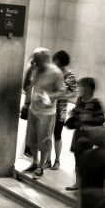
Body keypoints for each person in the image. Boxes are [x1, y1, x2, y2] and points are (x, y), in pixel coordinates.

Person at [23, 48, 65, 177]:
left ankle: (41, 166)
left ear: (45, 60)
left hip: (47, 112)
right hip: (33, 109)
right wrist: (27, 103)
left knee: (44, 139)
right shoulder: (36, 69)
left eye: (38, 61)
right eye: (34, 60)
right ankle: (34, 162)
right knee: (32, 138)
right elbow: (29, 86)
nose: (35, 63)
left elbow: (62, 92)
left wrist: (48, 97)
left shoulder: (56, 73)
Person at [65, 77, 105, 191]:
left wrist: (90, 118)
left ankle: (85, 184)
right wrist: (74, 115)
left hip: (88, 135)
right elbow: (77, 115)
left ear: (88, 89)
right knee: (77, 159)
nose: (79, 89)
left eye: (81, 86)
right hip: (78, 133)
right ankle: (78, 183)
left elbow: (102, 119)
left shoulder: (95, 103)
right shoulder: (79, 100)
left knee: (85, 159)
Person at [51, 50, 78, 171]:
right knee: (46, 134)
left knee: (57, 134)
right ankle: (46, 160)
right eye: (55, 63)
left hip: (60, 109)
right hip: (48, 107)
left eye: (58, 64)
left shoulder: (70, 76)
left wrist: (61, 96)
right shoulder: (52, 72)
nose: (56, 66)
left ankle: (57, 160)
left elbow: (74, 94)